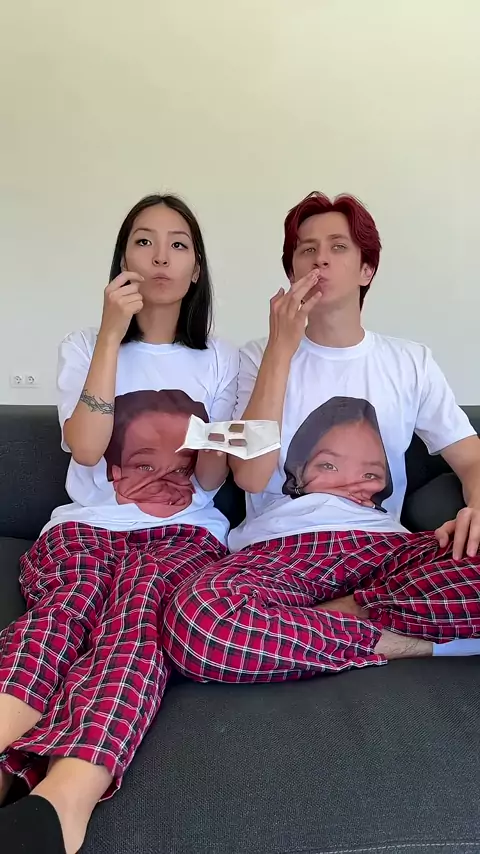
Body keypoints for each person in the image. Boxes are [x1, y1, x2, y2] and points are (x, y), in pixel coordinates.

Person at [163, 190, 480, 689]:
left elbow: (471, 458)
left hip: (382, 550)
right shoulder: (256, 356)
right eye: (306, 250)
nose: (320, 259)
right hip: (277, 551)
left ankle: (330, 619)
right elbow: (251, 476)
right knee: (195, 621)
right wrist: (281, 348)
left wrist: (477, 507)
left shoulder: (410, 361)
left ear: (366, 270)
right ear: (292, 270)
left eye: (338, 247)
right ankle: (408, 642)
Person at [0, 193, 238, 853]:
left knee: (136, 628)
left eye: (178, 244)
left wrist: (219, 435)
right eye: (144, 240)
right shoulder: (84, 344)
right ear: (123, 259)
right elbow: (85, 448)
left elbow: (211, 481)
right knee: (61, 616)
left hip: (183, 536)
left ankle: (60, 803)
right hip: (85, 529)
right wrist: (111, 334)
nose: (161, 256)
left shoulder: (220, 360)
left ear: (195, 269)